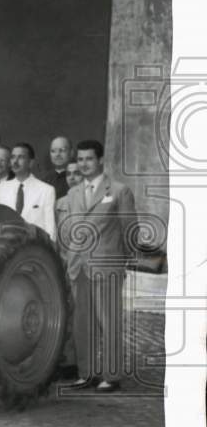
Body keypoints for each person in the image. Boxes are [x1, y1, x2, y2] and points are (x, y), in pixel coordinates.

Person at [60, 140, 136, 394]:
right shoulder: (73, 194)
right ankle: (87, 373)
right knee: (82, 323)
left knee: (109, 322)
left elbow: (129, 230)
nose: (84, 164)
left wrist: (122, 262)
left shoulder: (119, 191)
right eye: (80, 159)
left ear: (101, 160)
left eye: (89, 159)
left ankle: (112, 376)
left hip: (107, 267)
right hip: (79, 267)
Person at [0, 143, 56, 239]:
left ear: (31, 162)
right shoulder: (1, 188)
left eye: (20, 157)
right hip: (5, 245)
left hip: (34, 245)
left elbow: (51, 229)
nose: (15, 161)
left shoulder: (46, 190)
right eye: (13, 157)